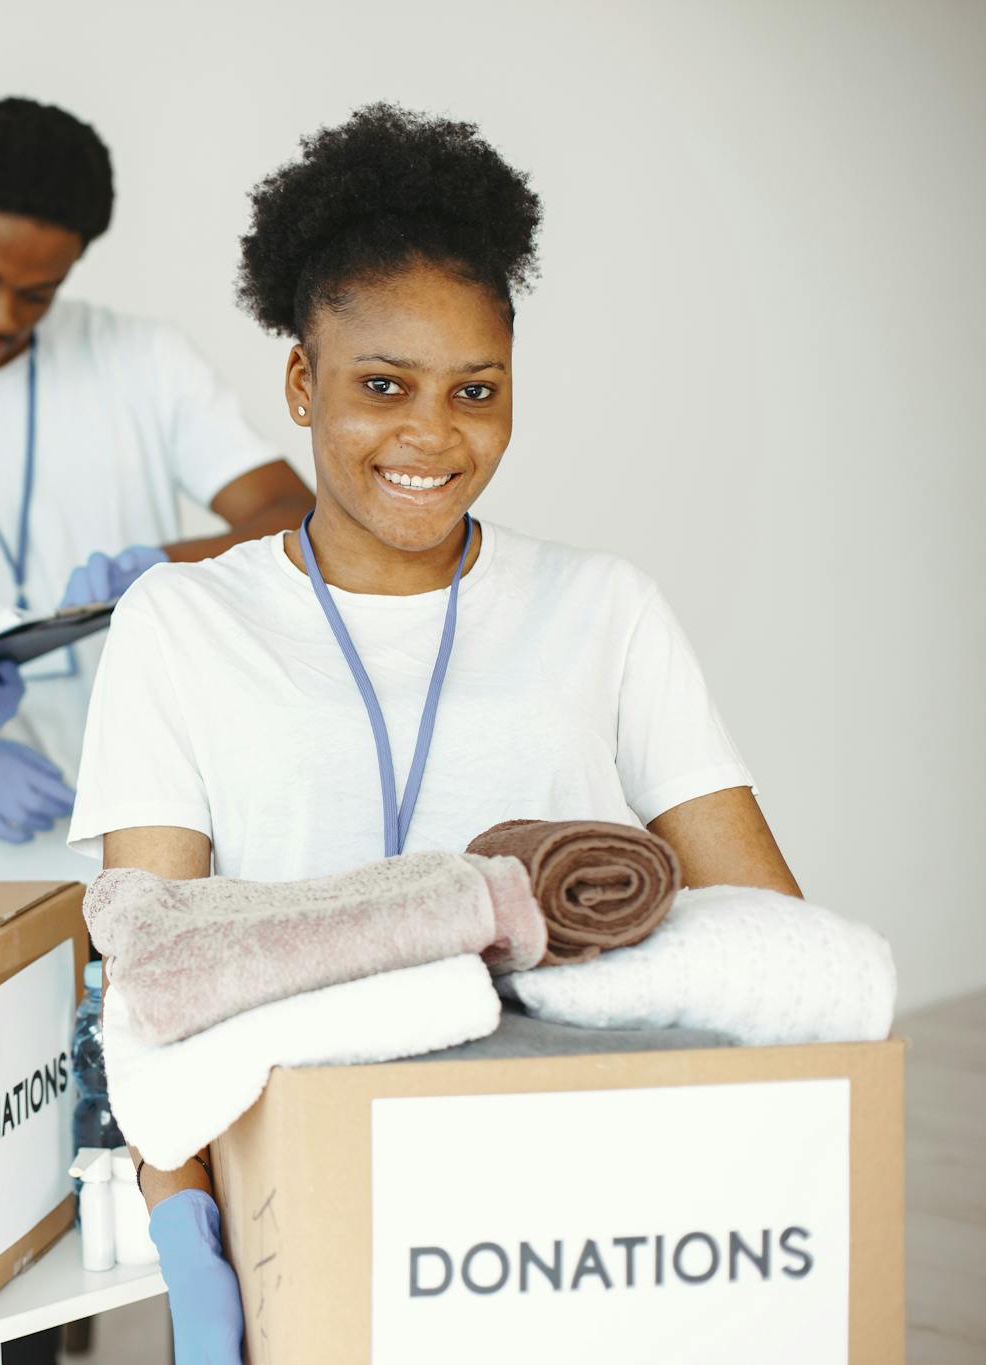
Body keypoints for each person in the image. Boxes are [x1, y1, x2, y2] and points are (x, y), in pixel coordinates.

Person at [66, 104, 802, 1362]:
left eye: (475, 390)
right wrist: (190, 1247)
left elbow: (771, 941)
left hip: (569, 1198)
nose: (428, 435)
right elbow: (156, 988)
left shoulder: (600, 607)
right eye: (379, 387)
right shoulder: (180, 625)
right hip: (299, 1189)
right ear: (299, 383)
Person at [0, 97, 315, 882]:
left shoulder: (140, 360)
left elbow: (299, 517)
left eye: (38, 293)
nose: (0, 315)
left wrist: (164, 565)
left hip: (173, 844)